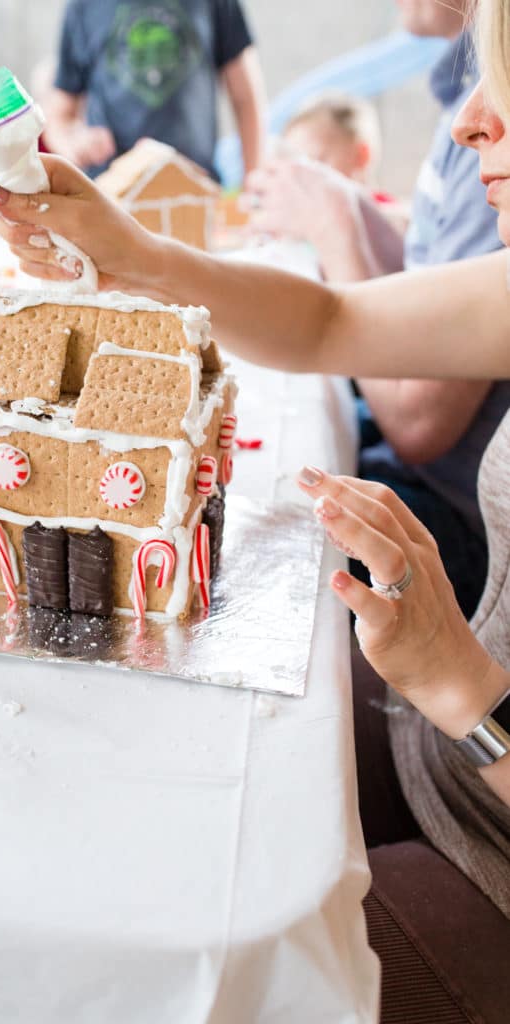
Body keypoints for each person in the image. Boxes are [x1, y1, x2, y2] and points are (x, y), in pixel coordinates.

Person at [0, 0, 510, 1013]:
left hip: (484, 840)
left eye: (507, 83)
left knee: (181, 967)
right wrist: (127, 247)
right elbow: (328, 320)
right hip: (448, 748)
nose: (463, 119)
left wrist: (462, 689)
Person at [245, 1, 509, 622]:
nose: (467, 126)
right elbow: (432, 266)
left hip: (453, 522)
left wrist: (336, 228)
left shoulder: (490, 122)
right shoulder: (466, 101)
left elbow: (417, 422)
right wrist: (354, 211)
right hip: (428, 487)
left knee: (269, 572)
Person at [37, 0, 266, 180]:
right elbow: (58, 118)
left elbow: (246, 98)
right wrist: (77, 142)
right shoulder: (83, 7)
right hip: (111, 196)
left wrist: (253, 183)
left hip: (196, 189)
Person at [280, 91, 382, 185]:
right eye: (295, 163)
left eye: (316, 161)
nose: (301, 175)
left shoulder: (382, 205)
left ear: (361, 156)